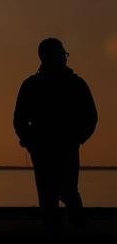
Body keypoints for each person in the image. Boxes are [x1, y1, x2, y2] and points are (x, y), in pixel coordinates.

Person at [13, 38, 98, 235]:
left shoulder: (34, 85)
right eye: (62, 54)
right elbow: (19, 120)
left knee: (58, 194)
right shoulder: (73, 84)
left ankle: (68, 229)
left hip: (56, 148)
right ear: (49, 57)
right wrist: (31, 142)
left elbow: (91, 117)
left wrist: (30, 141)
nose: (65, 58)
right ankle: (71, 230)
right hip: (51, 148)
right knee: (59, 194)